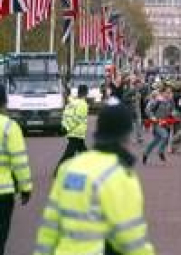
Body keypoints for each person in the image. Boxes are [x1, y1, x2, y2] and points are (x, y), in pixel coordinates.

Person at [35, 98, 155, 255]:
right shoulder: (120, 174)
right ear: (126, 135)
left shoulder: (68, 167)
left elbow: (50, 225)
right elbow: (131, 238)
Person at [0, 84, 32, 255]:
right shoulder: (9, 127)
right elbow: (19, 161)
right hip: (3, 192)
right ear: (4, 101)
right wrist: (26, 187)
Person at [55, 84, 89, 175]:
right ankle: (58, 170)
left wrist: (64, 126)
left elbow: (66, 115)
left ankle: (91, 168)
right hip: (77, 133)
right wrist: (67, 128)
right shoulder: (83, 104)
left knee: (84, 153)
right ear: (86, 93)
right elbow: (77, 120)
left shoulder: (72, 102)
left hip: (73, 132)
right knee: (69, 154)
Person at [143, 86, 174, 164]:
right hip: (157, 123)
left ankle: (145, 153)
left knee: (156, 140)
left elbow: (171, 112)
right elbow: (147, 109)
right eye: (167, 92)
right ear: (162, 93)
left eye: (170, 92)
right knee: (165, 136)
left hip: (165, 123)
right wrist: (152, 117)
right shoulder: (157, 101)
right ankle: (160, 152)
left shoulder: (170, 102)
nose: (169, 94)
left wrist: (173, 115)